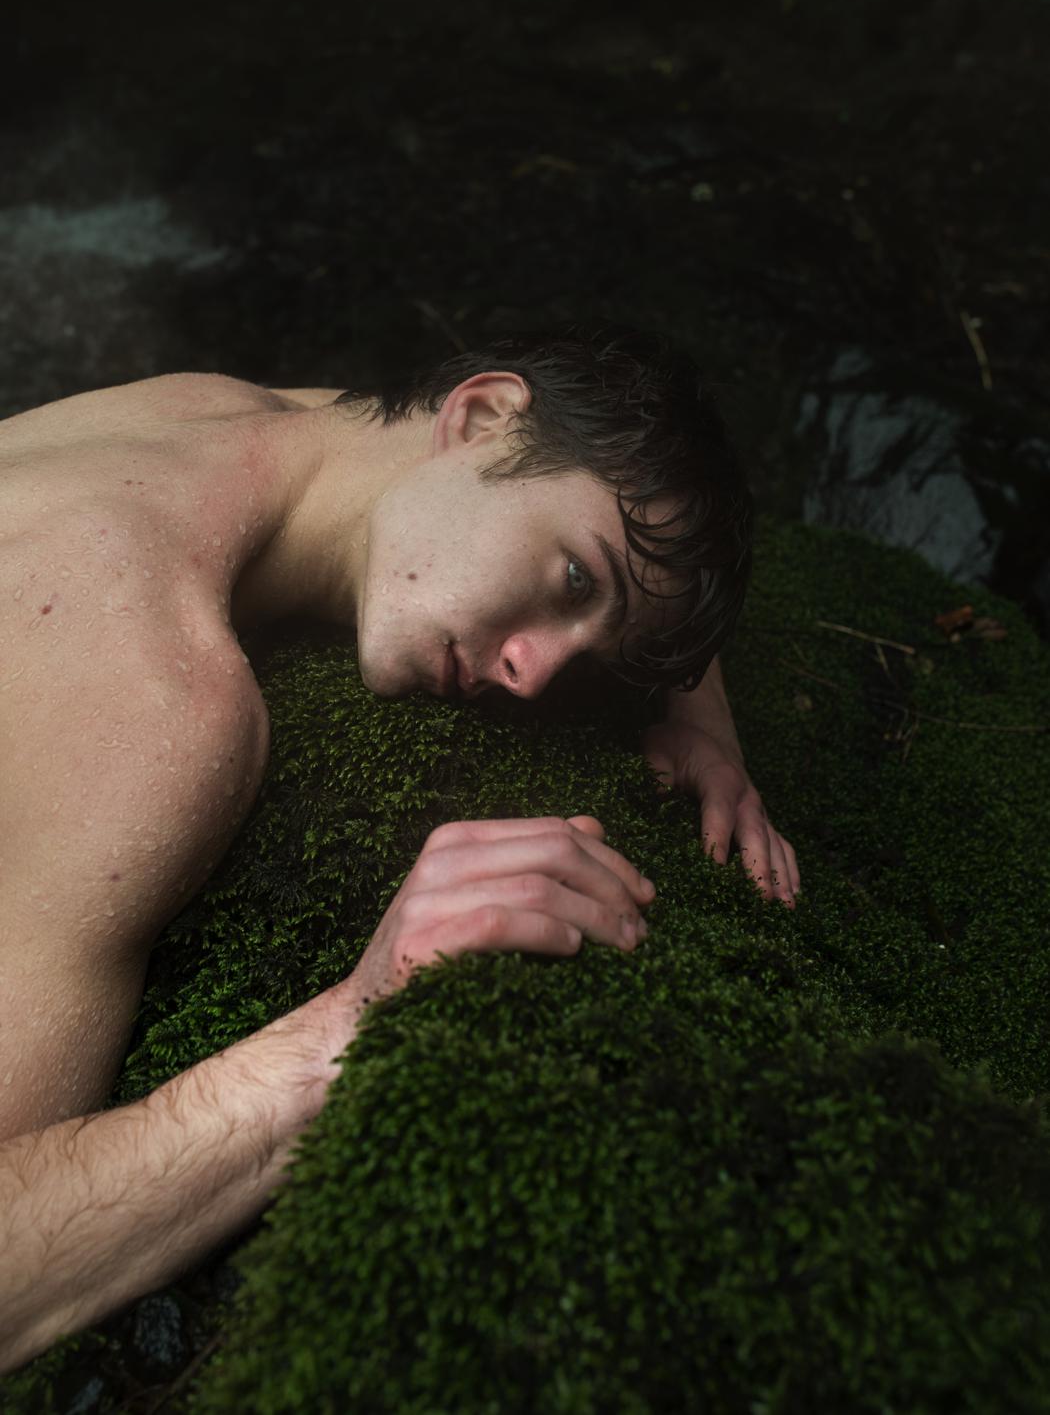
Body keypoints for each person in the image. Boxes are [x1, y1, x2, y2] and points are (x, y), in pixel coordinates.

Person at [0, 322, 798, 1372]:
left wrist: (699, 719)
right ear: (479, 415)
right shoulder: (158, 714)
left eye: (596, 654)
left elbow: (626, 501)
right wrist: (346, 1026)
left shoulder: (253, 419)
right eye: (572, 581)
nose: (535, 677)